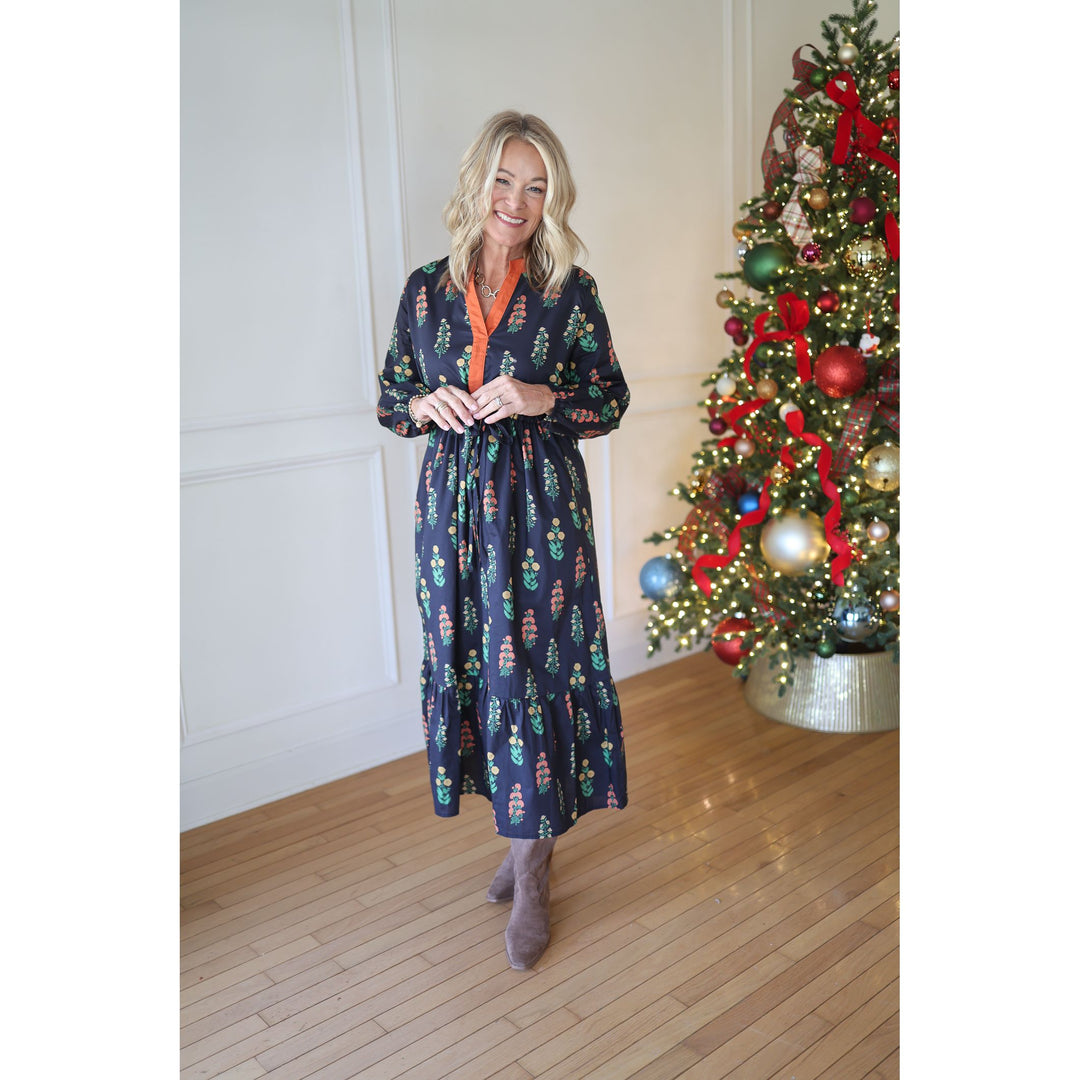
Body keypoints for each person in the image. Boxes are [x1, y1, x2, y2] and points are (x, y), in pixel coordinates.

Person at [376, 110, 630, 971]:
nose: (517, 201)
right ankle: (524, 837)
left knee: (535, 671)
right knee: (478, 666)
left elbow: (610, 402)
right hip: (451, 515)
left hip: (541, 514)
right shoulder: (424, 290)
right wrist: (421, 407)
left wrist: (541, 396)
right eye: (503, 181)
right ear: (476, 182)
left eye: (536, 186)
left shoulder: (570, 290)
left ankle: (533, 872)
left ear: (550, 198)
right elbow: (389, 396)